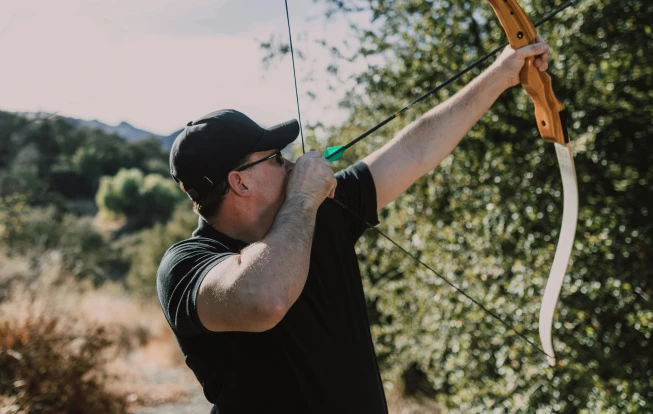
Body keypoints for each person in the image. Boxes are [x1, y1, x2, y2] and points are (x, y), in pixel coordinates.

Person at [157, 38, 552, 413]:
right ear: (239, 181)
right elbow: (266, 300)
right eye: (276, 158)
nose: (292, 164)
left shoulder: (316, 212)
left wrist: (503, 73)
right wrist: (302, 199)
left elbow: (414, 150)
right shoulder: (186, 266)